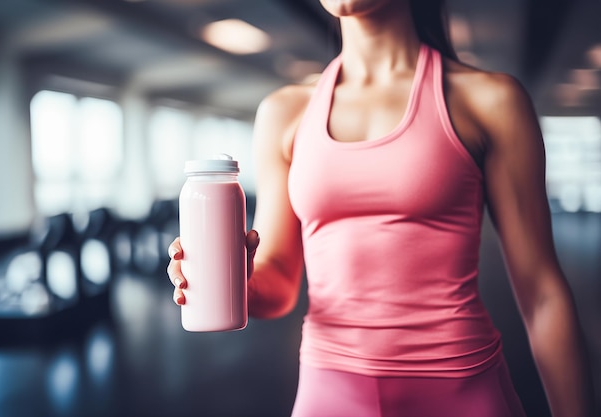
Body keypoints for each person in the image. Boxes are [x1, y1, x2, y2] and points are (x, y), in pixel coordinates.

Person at [167, 0, 594, 416]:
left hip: (461, 390)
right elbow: (278, 283)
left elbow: (542, 295)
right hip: (329, 391)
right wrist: (237, 283)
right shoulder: (285, 112)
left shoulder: (490, 101)